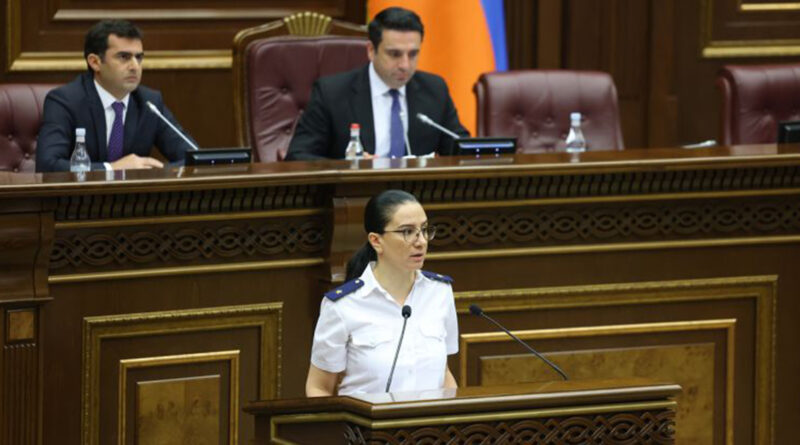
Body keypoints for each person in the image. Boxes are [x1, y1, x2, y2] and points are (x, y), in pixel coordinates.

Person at [306, 190, 459, 396]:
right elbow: (318, 388)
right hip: (365, 417)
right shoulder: (343, 305)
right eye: (407, 231)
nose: (421, 241)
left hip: (430, 417)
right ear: (376, 241)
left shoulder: (439, 292)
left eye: (424, 230)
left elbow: (444, 373)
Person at [285, 7, 469, 161]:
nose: (405, 65)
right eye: (395, 54)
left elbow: (461, 150)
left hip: (418, 192)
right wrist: (350, 167)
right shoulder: (332, 93)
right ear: (371, 50)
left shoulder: (435, 89)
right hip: (357, 191)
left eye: (413, 54)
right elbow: (297, 157)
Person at [36, 19, 196, 172]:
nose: (135, 66)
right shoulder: (65, 101)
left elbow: (193, 157)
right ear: (95, 62)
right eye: (124, 57)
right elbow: (47, 165)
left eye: (139, 57)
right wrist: (112, 169)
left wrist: (155, 172)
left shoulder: (148, 102)